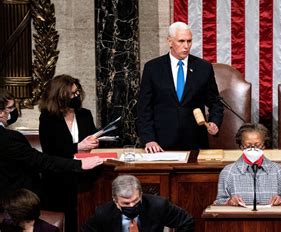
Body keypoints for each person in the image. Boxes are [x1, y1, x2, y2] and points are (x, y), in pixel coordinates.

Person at [0, 89, 103, 200]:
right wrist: (79, 164)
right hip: (15, 201)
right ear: (1, 112)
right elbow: (40, 160)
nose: (14, 111)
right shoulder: (8, 138)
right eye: (10, 108)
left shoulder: (84, 114)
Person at [137, 21, 224, 152]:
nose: (186, 46)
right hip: (160, 143)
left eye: (189, 41)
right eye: (181, 41)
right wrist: (149, 139)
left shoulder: (203, 68)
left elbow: (215, 102)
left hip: (194, 142)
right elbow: (144, 108)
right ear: (170, 42)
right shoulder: (153, 68)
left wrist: (214, 122)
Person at [38, 75, 99, 231]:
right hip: (59, 178)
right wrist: (77, 147)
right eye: (72, 94)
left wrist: (95, 142)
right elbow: (50, 150)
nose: (76, 96)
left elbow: (91, 137)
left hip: (85, 176)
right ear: (60, 96)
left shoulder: (84, 114)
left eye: (77, 93)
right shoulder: (48, 118)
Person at [214, 123, 281, 206]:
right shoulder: (228, 172)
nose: (253, 149)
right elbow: (219, 202)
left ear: (264, 145)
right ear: (241, 146)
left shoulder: (278, 170)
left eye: (257, 145)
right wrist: (229, 202)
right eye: (248, 146)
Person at [82, 175, 194, 232]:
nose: (131, 206)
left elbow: (187, 221)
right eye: (126, 203)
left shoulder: (158, 205)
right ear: (115, 201)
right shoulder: (103, 213)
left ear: (140, 194)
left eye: (135, 201)